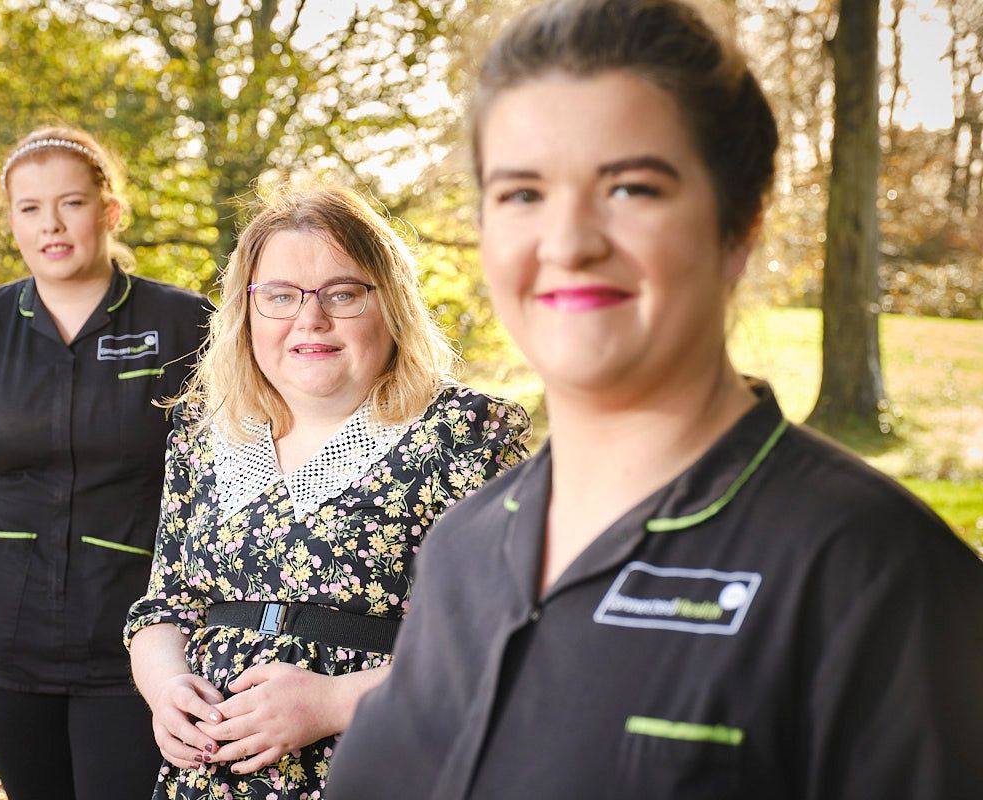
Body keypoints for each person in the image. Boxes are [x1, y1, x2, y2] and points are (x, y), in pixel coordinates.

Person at [326, 1, 983, 798]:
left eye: (632, 188)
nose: (568, 242)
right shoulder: (462, 551)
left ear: (738, 227)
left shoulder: (874, 573)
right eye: (522, 194)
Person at [125, 185, 529, 800]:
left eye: (342, 293)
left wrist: (332, 702)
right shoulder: (207, 432)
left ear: (390, 303)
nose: (309, 320)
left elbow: (505, 636)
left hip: (383, 763)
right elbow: (166, 605)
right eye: (281, 296)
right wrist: (167, 689)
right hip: (213, 780)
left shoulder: (463, 435)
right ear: (245, 310)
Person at [0, 125, 212, 800]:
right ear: (10, 221)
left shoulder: (185, 322)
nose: (51, 225)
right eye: (29, 208)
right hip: (1, 625)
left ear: (110, 211)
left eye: (71, 203)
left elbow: (243, 469)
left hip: (137, 634)